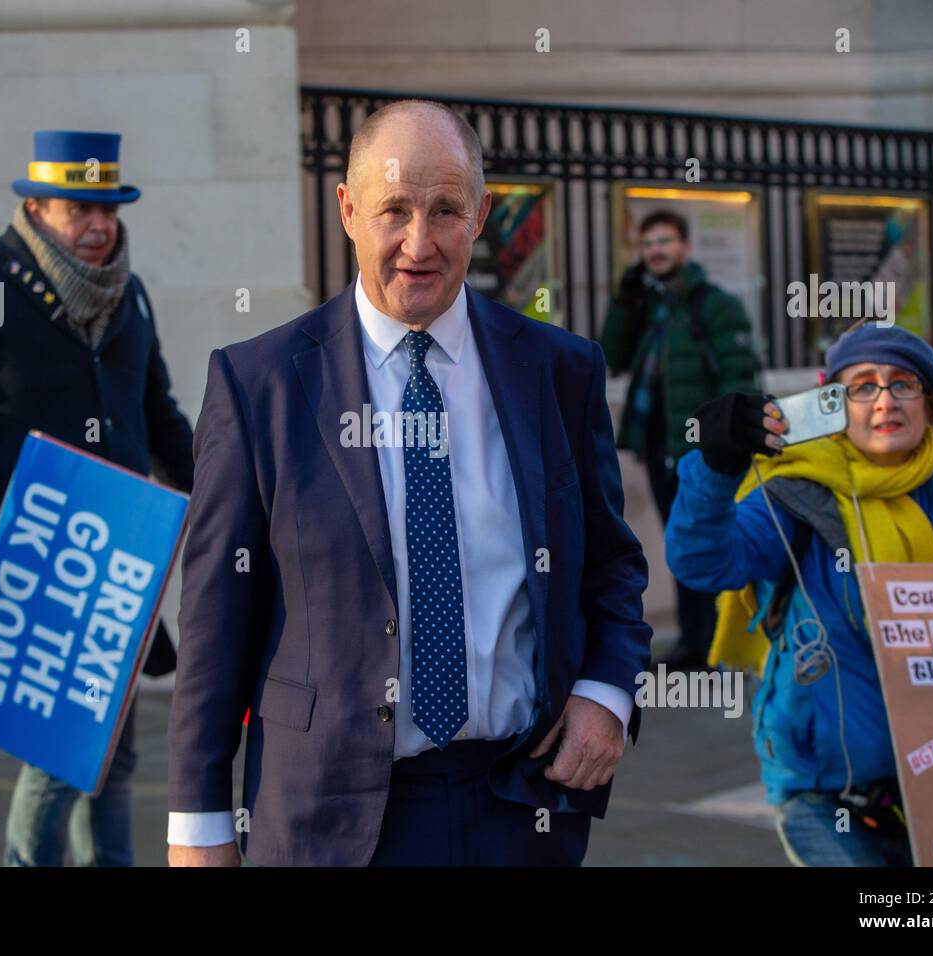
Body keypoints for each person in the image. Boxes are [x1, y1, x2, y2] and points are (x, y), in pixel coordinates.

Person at [167, 100, 652, 867]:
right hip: (323, 822)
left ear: (483, 214)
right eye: (393, 210)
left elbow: (611, 564)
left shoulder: (557, 370)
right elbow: (214, 626)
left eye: (445, 210)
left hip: (520, 809)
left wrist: (607, 692)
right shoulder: (258, 383)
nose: (418, 244)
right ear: (348, 210)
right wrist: (198, 825)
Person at [0, 131, 194, 866]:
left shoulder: (129, 293)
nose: (99, 226)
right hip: (29, 553)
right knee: (62, 753)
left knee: (110, 754)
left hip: (117, 560)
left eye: (109, 209)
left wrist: (218, 490)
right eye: (79, 208)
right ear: (35, 206)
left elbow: (160, 418)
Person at [665, 320, 933, 866]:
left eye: (902, 384)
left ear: (931, 405)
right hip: (826, 790)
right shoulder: (793, 497)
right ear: (836, 404)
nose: (884, 400)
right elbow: (703, 561)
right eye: (862, 385)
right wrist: (716, 465)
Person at [601, 210, 761, 670]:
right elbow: (611, 354)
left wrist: (721, 447)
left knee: (702, 541)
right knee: (680, 544)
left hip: (699, 454)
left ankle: (711, 646)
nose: (656, 251)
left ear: (686, 249)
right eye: (648, 243)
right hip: (658, 445)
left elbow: (738, 381)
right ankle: (697, 643)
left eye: (665, 242)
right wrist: (623, 302)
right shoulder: (651, 307)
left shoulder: (714, 305)